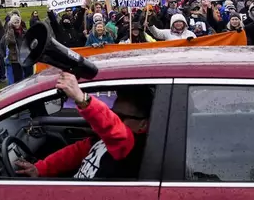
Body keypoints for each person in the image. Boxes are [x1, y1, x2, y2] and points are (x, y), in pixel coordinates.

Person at [15, 72, 153, 179]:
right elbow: (75, 152)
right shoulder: (102, 141)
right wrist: (40, 169)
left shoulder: (132, 145)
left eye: (121, 117)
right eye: (113, 113)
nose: (116, 119)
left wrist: (82, 99)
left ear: (143, 124)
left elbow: (112, 127)